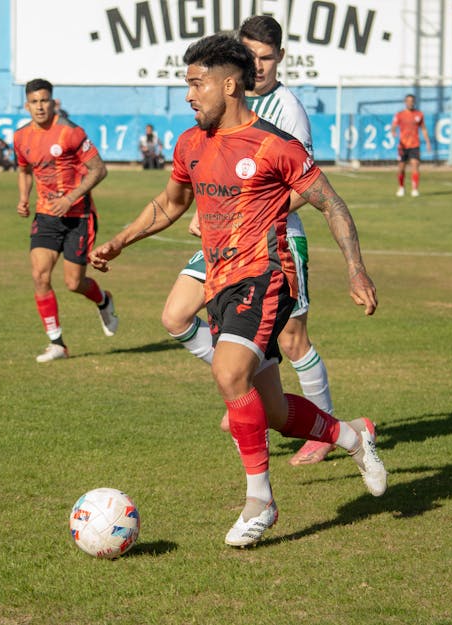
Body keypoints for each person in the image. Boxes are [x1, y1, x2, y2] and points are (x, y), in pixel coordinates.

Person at [89, 34, 386, 547]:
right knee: (271, 414)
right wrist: (120, 240)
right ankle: (352, 437)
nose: (188, 94)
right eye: (187, 84)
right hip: (222, 277)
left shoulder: (274, 144)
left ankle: (261, 501)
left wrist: (355, 269)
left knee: (230, 371)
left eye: (196, 83)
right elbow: (169, 203)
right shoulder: (190, 144)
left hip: (267, 274)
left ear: (229, 84)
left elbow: (331, 203)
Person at [160, 15, 338, 466]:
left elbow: (305, 185)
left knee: (295, 338)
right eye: (250, 56)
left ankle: (324, 428)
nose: (257, 66)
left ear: (280, 57)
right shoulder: (222, 110)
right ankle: (238, 382)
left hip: (274, 243)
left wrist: (247, 214)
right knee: (176, 315)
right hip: (225, 242)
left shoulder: (287, 110)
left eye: (265, 57)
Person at [13, 78, 117, 363]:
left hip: (78, 216)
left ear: (53, 102)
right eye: (34, 102)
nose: (39, 106)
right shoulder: (21, 137)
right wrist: (24, 198)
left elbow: (99, 169)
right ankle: (57, 343)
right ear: (27, 105)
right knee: (39, 275)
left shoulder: (70, 132)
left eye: (44, 100)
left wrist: (71, 198)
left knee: (74, 283)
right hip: (46, 216)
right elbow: (24, 170)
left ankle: (103, 300)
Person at [391, 94, 431, 197]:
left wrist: (427, 142)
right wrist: (393, 132)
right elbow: (394, 126)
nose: (410, 103)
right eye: (408, 101)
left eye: (411, 101)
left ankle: (414, 189)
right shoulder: (400, 114)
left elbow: (423, 128)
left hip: (414, 144)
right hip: (403, 145)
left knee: (415, 164)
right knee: (401, 168)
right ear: (405, 102)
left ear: (414, 102)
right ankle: (401, 187)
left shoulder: (419, 114)